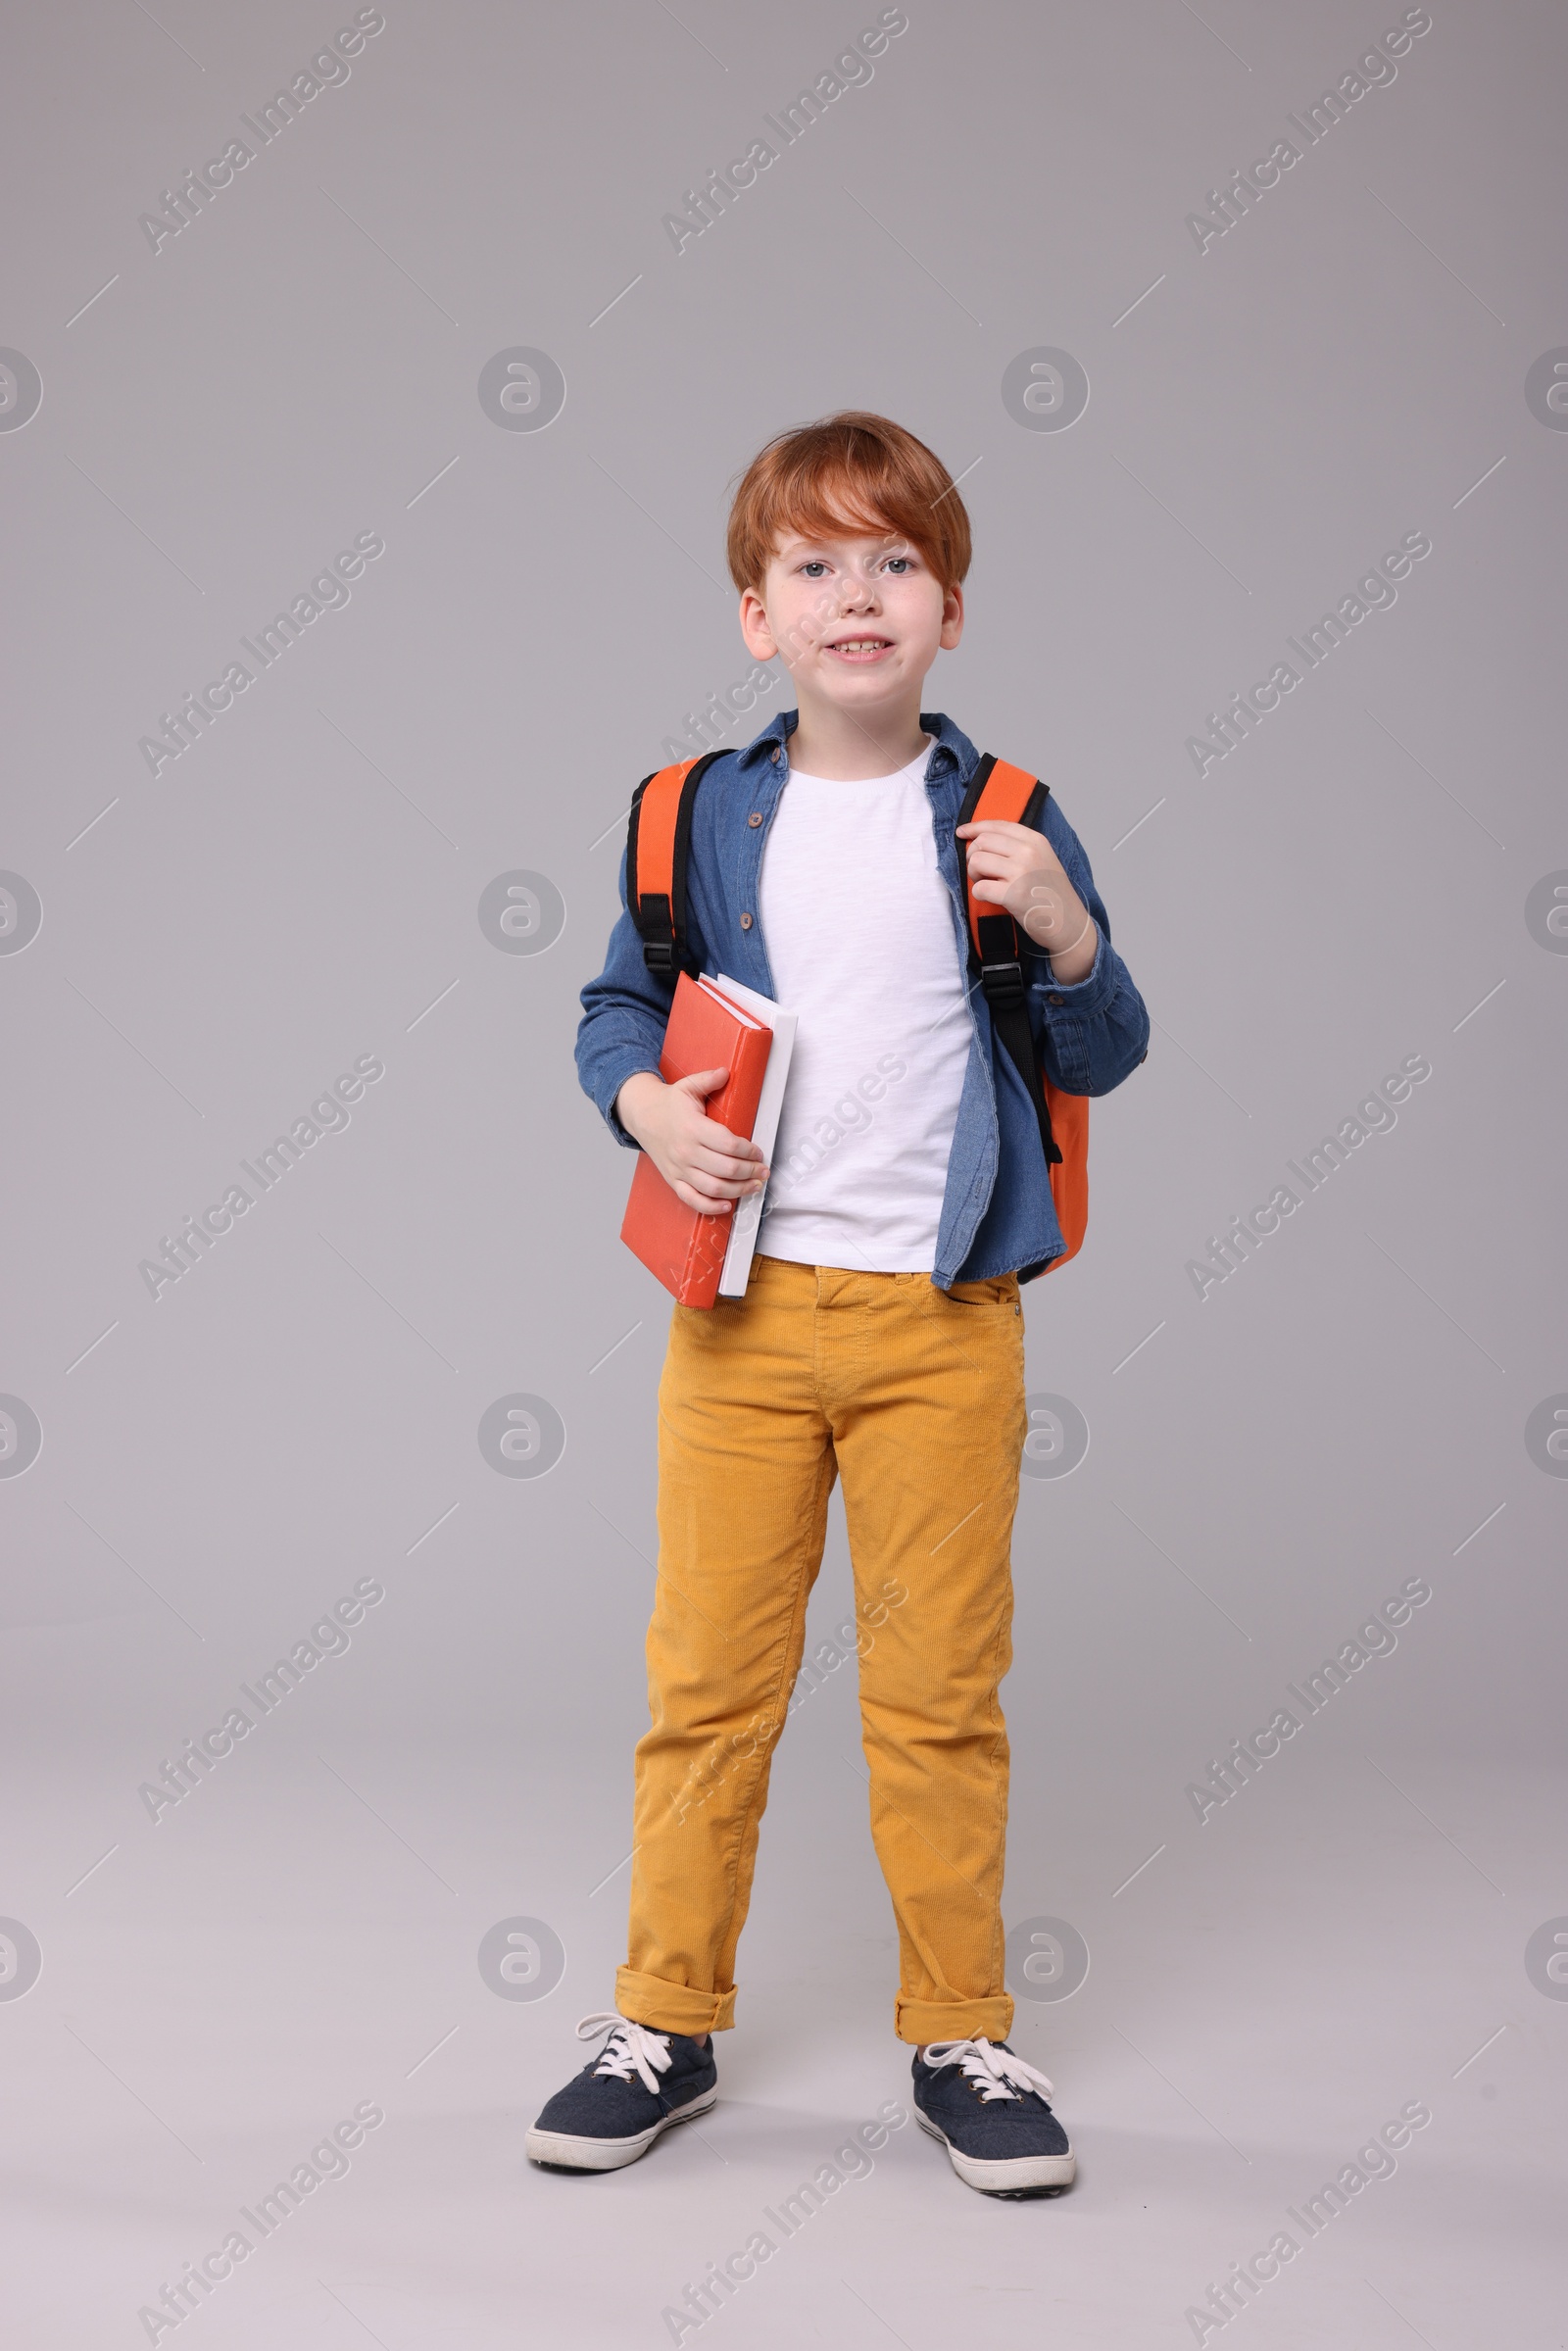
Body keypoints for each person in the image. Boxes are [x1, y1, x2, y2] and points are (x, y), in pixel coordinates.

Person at [530, 412, 1149, 2198]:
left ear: (950, 607)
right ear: (756, 616)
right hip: (735, 1327)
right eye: (816, 565)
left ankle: (960, 2028)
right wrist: (646, 1106)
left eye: (893, 562)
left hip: (942, 1323)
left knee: (938, 1691)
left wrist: (1076, 939)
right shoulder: (693, 813)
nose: (855, 594)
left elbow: (1106, 1049)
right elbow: (613, 1014)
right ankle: (667, 2018)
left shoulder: (1012, 819)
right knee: (707, 1680)